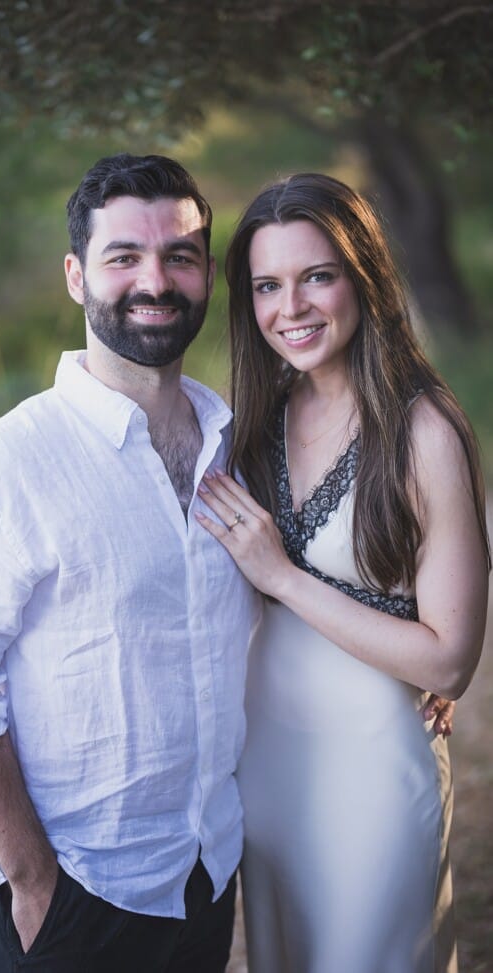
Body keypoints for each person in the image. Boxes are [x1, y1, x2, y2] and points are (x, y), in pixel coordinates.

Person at [0, 153, 260, 972]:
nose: (156, 280)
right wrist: (33, 878)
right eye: (123, 257)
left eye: (180, 256)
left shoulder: (231, 445)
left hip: (201, 869)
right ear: (76, 275)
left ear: (207, 273)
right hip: (73, 890)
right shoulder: (4, 467)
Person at [195, 172, 490, 973]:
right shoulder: (250, 426)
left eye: (317, 276)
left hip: (374, 768)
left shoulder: (422, 430)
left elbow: (449, 661)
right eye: (267, 285)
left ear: (363, 275)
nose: (291, 308)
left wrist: (285, 577)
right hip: (271, 771)